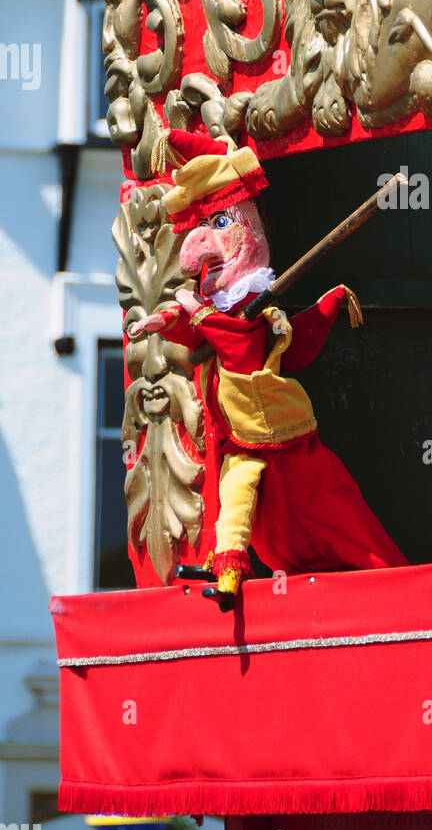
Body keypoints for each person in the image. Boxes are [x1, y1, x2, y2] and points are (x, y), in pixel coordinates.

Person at [129, 129, 407, 608]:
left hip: (274, 432)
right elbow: (200, 333)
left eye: (219, 220)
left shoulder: (249, 316)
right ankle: (228, 568)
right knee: (239, 506)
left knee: (326, 515)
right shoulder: (225, 306)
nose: (200, 246)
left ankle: (394, 586)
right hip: (241, 435)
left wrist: (196, 313)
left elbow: (237, 347)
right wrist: (173, 318)